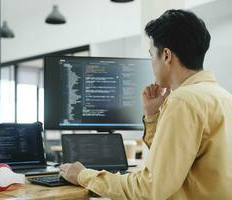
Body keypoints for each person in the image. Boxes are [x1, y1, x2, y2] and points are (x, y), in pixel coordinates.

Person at [59, 9, 232, 199]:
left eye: (151, 55)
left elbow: (149, 189)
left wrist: (83, 175)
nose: (151, 63)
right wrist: (152, 115)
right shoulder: (223, 96)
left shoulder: (183, 101)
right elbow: (173, 162)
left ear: (166, 55)